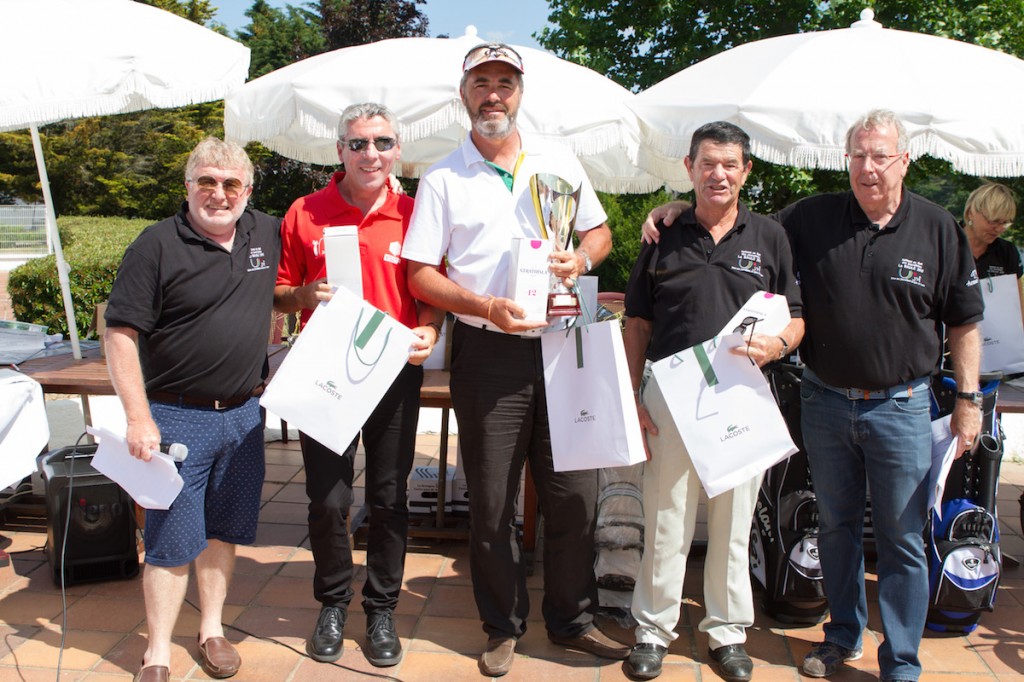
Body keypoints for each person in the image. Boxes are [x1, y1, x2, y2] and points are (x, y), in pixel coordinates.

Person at [642, 110, 983, 682]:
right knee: (835, 528)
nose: (868, 168)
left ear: (904, 160)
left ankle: (900, 659)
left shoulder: (939, 227)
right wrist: (674, 211)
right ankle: (841, 638)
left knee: (900, 538)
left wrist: (968, 399)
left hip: (901, 405)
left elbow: (965, 322)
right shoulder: (813, 216)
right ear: (846, 160)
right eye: (858, 156)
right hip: (825, 401)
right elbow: (734, 221)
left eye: (881, 156)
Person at [401, 42, 627, 677]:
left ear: (520, 93)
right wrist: (482, 304)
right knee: (494, 503)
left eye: (505, 82)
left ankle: (572, 621)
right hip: (489, 350)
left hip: (563, 348)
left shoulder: (557, 159)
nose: (493, 94)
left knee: (574, 496)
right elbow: (420, 274)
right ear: (464, 93)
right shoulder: (443, 176)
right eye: (481, 83)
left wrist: (580, 261)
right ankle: (502, 625)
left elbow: (600, 233)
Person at [622, 121, 804, 682]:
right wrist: (632, 395)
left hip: (742, 397)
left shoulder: (770, 235)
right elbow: (637, 322)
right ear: (690, 168)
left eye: (730, 164)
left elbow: (796, 317)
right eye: (708, 163)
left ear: (746, 170)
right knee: (667, 516)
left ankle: (727, 633)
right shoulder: (662, 235)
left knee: (733, 523)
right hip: (671, 394)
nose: (718, 174)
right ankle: (653, 630)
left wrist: (777, 345)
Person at [105, 138, 280, 682]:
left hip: (246, 417)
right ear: (188, 186)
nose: (218, 193)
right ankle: (156, 651)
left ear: (247, 191)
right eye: (206, 181)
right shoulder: (155, 245)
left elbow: (297, 281)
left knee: (223, 531)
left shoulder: (266, 232)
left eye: (230, 183)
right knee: (169, 536)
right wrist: (137, 417)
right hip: (176, 415)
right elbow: (119, 334)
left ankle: (211, 630)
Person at [273, 102, 441, 668]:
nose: (371, 153)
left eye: (382, 143)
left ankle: (383, 605)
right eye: (359, 143)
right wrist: (301, 296)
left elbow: (431, 290)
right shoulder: (305, 212)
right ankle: (333, 602)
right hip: (325, 374)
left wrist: (430, 327)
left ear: (398, 151)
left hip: (393, 373)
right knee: (328, 499)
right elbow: (276, 291)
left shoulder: (417, 213)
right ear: (339, 151)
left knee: (391, 499)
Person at [962, 182, 1024, 326]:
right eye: (993, 221)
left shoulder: (1007, 252)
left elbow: (1017, 304)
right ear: (971, 212)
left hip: (996, 337)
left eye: (1005, 223)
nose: (999, 229)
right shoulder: (947, 243)